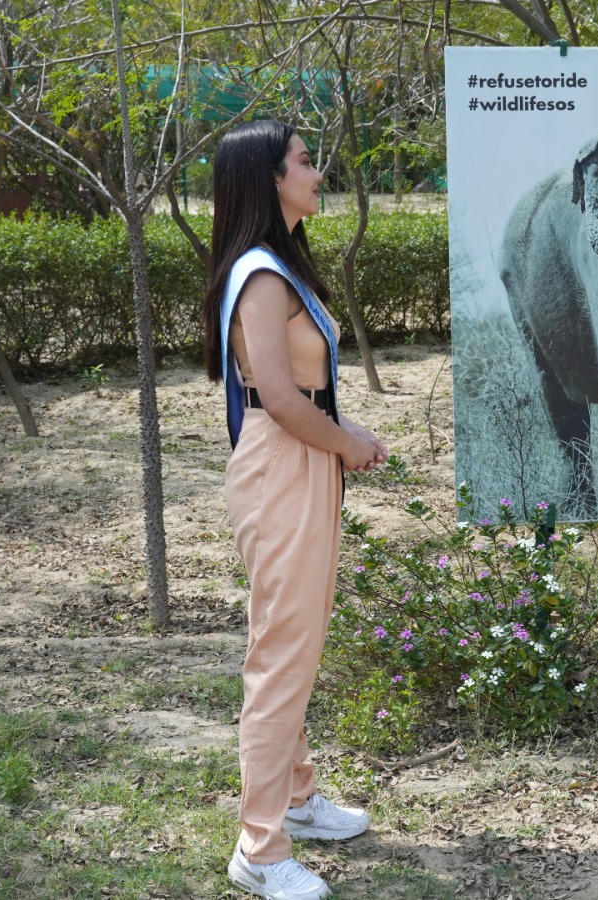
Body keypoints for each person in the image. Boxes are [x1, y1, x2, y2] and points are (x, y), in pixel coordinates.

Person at [202, 119, 388, 900]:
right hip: (287, 465)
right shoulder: (262, 274)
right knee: (282, 657)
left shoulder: (279, 265)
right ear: (270, 178)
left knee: (295, 645)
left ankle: (300, 800)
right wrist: (346, 442)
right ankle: (260, 847)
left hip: (299, 462)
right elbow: (277, 397)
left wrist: (337, 444)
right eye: (305, 161)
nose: (318, 171)